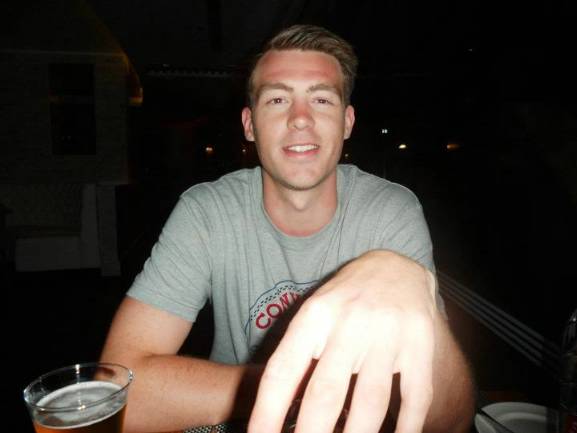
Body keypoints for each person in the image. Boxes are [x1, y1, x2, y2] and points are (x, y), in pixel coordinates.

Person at [100, 24, 475, 433]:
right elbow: (118, 391)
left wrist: (413, 286)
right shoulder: (207, 213)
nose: (300, 119)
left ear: (347, 122)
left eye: (321, 99)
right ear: (249, 124)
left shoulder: (390, 212)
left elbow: (451, 422)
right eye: (278, 99)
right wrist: (295, 390)